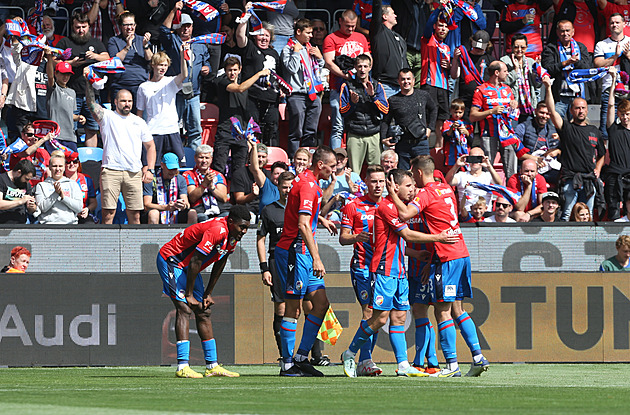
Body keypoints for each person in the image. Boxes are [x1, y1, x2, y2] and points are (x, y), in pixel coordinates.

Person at [341, 167, 459, 377]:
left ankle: (403, 364)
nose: (413, 189)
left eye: (413, 185)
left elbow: (402, 241)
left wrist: (414, 254)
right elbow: (407, 234)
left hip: (400, 271)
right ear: (395, 187)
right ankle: (350, 352)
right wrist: (438, 238)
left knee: (399, 317)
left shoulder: (400, 206)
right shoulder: (386, 207)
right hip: (384, 270)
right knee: (379, 319)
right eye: (408, 185)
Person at [391, 155, 490, 376]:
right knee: (457, 309)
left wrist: (392, 194)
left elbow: (406, 213)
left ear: (417, 173)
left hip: (447, 256)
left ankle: (452, 366)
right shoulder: (446, 189)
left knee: (442, 312)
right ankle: (477, 356)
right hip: (461, 253)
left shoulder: (426, 193)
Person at [157, 204, 251, 378]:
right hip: (171, 260)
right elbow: (195, 261)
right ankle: (182, 367)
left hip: (189, 266)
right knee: (184, 308)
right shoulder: (217, 230)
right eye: (242, 226)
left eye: (247, 227)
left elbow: (220, 262)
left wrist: (208, 293)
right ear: (231, 222)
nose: (244, 231)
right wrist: (189, 295)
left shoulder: (233, 236)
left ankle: (212, 366)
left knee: (204, 311)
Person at [274, 146, 338, 377]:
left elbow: (300, 212)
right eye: (331, 166)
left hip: (301, 252)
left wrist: (320, 218)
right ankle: (287, 364)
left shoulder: (307, 181)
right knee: (293, 308)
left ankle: (301, 357)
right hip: (294, 251)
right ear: (320, 164)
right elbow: (301, 224)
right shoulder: (309, 185)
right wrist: (317, 258)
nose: (334, 170)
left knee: (321, 304)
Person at [84, 68, 157, 225]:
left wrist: (150, 168)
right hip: (111, 171)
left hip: (134, 173)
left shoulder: (139, 121)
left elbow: (150, 146)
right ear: (115, 102)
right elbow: (90, 103)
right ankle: (105, 247)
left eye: (130, 101)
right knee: (108, 214)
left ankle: (134, 248)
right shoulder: (107, 117)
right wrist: (89, 81)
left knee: (135, 215)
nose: (127, 104)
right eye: (123, 101)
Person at [339, 164, 386, 376]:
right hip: (362, 267)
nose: (378, 185)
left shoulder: (390, 206)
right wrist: (356, 237)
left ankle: (363, 359)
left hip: (384, 269)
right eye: (374, 181)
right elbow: (342, 238)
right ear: (365, 183)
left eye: (381, 181)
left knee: (378, 315)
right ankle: (364, 359)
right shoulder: (353, 206)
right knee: (369, 311)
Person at [543, 76, 606, 221]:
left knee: (587, 216)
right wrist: (547, 88)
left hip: (589, 180)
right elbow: (552, 111)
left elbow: (602, 154)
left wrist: (598, 168)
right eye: (577, 108)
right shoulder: (567, 128)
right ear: (571, 110)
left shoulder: (594, 131)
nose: (581, 111)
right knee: (566, 215)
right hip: (571, 179)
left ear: (587, 110)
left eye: (583, 108)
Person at [470, 60, 533, 180]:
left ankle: (512, 195)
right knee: (486, 168)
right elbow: (473, 116)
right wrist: (491, 111)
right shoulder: (481, 90)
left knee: (512, 170)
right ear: (497, 73)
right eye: (505, 71)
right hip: (489, 134)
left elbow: (513, 112)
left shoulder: (508, 90)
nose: (508, 74)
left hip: (507, 134)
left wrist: (514, 104)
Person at [161, 7, 212, 151]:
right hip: (176, 93)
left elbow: (206, 62)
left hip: (194, 93)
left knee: (195, 128)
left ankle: (196, 157)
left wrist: (207, 68)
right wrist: (173, 11)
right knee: (173, 125)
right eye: (182, 26)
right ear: (177, 28)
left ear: (192, 27)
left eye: (188, 26)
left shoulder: (200, 44)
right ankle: (173, 153)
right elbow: (163, 30)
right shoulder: (173, 41)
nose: (185, 29)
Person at [56, 11, 110, 148]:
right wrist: (70, 64)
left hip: (91, 93)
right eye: (78, 27)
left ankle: (90, 161)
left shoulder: (95, 43)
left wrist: (94, 56)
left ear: (89, 27)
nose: (81, 30)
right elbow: (53, 61)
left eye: (84, 27)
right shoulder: (65, 41)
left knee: (91, 128)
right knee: (69, 126)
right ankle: (69, 158)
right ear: (72, 27)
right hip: (69, 92)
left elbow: (107, 58)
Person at [257, 171, 295, 360]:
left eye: (291, 187)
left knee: (310, 307)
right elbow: (260, 240)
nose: (288, 191)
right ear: (278, 188)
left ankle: (315, 355)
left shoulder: (300, 210)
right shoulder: (268, 210)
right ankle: (285, 357)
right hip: (277, 262)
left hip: (299, 262)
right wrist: (264, 268)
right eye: (284, 187)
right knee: (281, 308)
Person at [211, 57, 269, 175]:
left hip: (241, 133)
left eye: (234, 70)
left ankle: (237, 193)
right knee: (219, 167)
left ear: (240, 69)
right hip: (225, 131)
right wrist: (259, 74)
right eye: (229, 70)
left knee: (240, 170)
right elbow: (240, 89)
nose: (232, 73)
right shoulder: (222, 81)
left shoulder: (245, 83)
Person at [323, 10, 371, 150]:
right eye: (347, 26)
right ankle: (335, 156)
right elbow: (329, 62)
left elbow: (368, 58)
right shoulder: (331, 38)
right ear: (340, 22)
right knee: (338, 125)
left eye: (353, 26)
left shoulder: (361, 37)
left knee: (356, 124)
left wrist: (362, 74)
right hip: (339, 87)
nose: (350, 29)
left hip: (359, 87)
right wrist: (347, 76)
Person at [236, 6, 281, 147]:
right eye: (261, 35)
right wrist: (246, 16)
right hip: (252, 97)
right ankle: (251, 155)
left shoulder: (274, 53)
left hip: (271, 98)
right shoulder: (250, 48)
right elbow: (239, 36)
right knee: (252, 129)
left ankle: (269, 158)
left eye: (267, 35)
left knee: (272, 129)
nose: (264, 38)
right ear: (255, 36)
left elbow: (279, 75)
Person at [137, 49, 189, 168]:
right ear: (153, 65)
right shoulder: (143, 87)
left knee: (178, 166)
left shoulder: (170, 81)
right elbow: (139, 112)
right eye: (160, 64)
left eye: (165, 65)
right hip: (153, 131)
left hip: (172, 130)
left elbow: (184, 75)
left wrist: (182, 55)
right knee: (152, 166)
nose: (163, 68)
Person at [281, 18, 325, 159]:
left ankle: (308, 159)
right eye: (308, 32)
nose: (311, 36)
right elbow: (292, 69)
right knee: (296, 131)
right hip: (297, 94)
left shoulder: (309, 47)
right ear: (298, 32)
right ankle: (294, 159)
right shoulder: (288, 48)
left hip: (313, 93)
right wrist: (295, 52)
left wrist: (320, 57)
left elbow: (319, 67)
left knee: (311, 131)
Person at [340, 54, 389, 173]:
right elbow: (343, 111)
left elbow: (385, 109)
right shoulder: (347, 85)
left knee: (376, 172)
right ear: (355, 67)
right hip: (355, 134)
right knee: (354, 172)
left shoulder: (377, 85)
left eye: (365, 66)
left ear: (370, 67)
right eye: (360, 66)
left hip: (373, 133)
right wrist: (352, 103)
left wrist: (373, 97)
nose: (362, 69)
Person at [380, 68, 437, 170]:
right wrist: (383, 138)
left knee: (425, 172)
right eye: (403, 79)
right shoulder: (393, 100)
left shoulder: (423, 95)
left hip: (421, 142)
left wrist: (430, 128)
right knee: (403, 175)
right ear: (398, 81)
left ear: (414, 80)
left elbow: (433, 109)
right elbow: (385, 121)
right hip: (403, 144)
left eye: (408, 79)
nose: (406, 82)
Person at [420, 18, 460, 148]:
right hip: (429, 84)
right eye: (440, 26)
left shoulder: (447, 47)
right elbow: (426, 28)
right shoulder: (427, 40)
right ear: (434, 27)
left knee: (441, 119)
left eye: (445, 27)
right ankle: (423, 147)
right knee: (427, 117)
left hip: (444, 86)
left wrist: (450, 66)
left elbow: (453, 74)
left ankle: (439, 147)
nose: (443, 29)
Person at [541, 20, 592, 119]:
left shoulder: (581, 47)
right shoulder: (551, 48)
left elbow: (587, 68)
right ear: (557, 32)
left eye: (568, 30)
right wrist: (566, 63)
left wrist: (576, 62)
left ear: (573, 32)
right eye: (562, 31)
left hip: (578, 96)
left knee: (576, 128)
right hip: (559, 98)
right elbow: (548, 69)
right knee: (556, 126)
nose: (565, 34)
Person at [594, 13, 630, 139]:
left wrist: (628, 55)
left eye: (617, 22)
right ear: (608, 26)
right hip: (609, 89)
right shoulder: (601, 44)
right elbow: (598, 64)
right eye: (612, 23)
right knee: (605, 130)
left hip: (628, 89)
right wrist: (615, 56)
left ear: (624, 24)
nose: (615, 25)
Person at [107, 11, 153, 110]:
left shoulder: (142, 39)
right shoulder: (114, 40)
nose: (129, 28)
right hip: (120, 84)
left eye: (132, 24)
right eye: (126, 25)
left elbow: (151, 60)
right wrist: (127, 46)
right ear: (120, 26)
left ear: (135, 25)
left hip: (140, 84)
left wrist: (145, 46)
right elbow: (115, 61)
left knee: (139, 118)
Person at [500, 34, 547, 121]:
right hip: (513, 105)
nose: (519, 50)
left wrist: (536, 72)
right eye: (516, 47)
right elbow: (503, 82)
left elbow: (537, 85)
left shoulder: (530, 61)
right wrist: (515, 70)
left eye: (522, 47)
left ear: (526, 47)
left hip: (529, 105)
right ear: (512, 47)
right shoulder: (504, 61)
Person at [514, 102, 561, 188]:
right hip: (527, 168)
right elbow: (516, 151)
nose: (544, 116)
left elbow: (564, 150)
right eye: (541, 113)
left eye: (547, 114)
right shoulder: (523, 127)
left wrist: (558, 151)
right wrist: (535, 159)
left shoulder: (553, 130)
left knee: (564, 177)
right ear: (535, 111)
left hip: (548, 168)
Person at [604, 68, 630, 220]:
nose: (625, 117)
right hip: (615, 174)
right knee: (613, 209)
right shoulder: (613, 128)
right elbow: (610, 106)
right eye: (622, 114)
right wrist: (613, 81)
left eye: (627, 114)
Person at [45, 57, 85, 153]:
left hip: (70, 136)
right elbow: (50, 77)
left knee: (73, 164)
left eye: (68, 74)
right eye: (63, 74)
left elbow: (69, 114)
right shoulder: (54, 89)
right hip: (54, 135)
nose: (65, 77)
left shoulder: (72, 92)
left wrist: (79, 117)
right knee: (56, 163)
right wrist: (49, 57)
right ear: (56, 73)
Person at [446, 147, 502, 214]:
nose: (475, 161)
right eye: (472, 158)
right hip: (467, 214)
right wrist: (456, 166)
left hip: (485, 213)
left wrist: (489, 166)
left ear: (482, 159)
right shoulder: (461, 175)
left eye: (478, 158)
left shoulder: (488, 175)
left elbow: (499, 184)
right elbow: (447, 181)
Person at [369, 0, 408, 98]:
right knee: (384, 113)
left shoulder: (399, 38)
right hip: (385, 85)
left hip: (401, 86)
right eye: (393, 13)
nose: (396, 16)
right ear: (384, 16)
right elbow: (377, 8)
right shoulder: (378, 31)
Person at [143, 152, 193, 224]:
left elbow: (186, 203)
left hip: (175, 213)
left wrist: (182, 205)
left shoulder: (180, 179)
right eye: (170, 169)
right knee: (154, 214)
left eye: (175, 169)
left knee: (192, 213)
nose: (173, 172)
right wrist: (166, 208)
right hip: (157, 211)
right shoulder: (151, 179)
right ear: (162, 165)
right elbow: (146, 205)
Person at [34, 152, 83, 224]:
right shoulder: (41, 185)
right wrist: (55, 194)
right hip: (48, 225)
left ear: (64, 167)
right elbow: (42, 208)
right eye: (54, 166)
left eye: (60, 166)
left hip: (70, 224)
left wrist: (63, 197)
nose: (58, 169)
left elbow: (79, 208)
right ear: (50, 167)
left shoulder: (73, 184)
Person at [183, 144, 228, 222]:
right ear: (195, 158)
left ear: (211, 159)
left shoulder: (218, 175)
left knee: (227, 216)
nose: (204, 161)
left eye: (207, 158)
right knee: (202, 218)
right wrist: (204, 184)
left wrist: (212, 188)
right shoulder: (188, 174)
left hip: (219, 209)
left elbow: (224, 198)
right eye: (201, 157)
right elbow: (192, 198)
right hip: (199, 209)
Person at [458, 30, 493, 118]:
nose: (478, 49)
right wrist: (455, 59)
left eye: (481, 48)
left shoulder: (491, 60)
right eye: (476, 46)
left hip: (483, 99)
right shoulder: (464, 56)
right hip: (466, 98)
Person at [247, 138, 288, 212]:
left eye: (281, 174)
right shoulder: (266, 185)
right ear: (271, 174)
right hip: (265, 221)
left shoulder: (289, 189)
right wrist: (254, 147)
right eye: (276, 173)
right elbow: (255, 169)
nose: (279, 176)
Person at [64, 151, 97, 224]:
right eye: (68, 162)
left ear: (78, 163)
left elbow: (94, 202)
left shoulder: (87, 179)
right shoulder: (59, 179)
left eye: (75, 161)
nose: (72, 164)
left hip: (82, 214)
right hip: (64, 214)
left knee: (89, 224)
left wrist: (87, 209)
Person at [0, 159, 37, 224]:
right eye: (26, 179)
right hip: (3, 224)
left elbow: (31, 210)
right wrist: (20, 201)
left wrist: (32, 206)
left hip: (21, 224)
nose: (27, 182)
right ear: (19, 172)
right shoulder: (2, 180)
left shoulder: (26, 184)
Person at [442, 99, 473, 169]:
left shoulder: (467, 124)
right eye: (455, 112)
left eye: (460, 112)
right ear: (450, 111)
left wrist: (467, 133)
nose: (457, 115)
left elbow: (471, 141)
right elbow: (446, 137)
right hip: (451, 154)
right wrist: (451, 129)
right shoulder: (447, 122)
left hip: (465, 153)